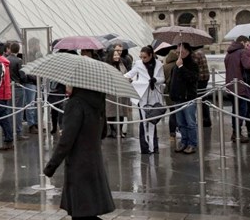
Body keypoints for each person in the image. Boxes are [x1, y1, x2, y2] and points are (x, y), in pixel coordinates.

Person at [43, 86, 115, 220]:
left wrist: (51, 166)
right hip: (94, 162)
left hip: (78, 166)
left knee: (81, 214)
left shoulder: (75, 103)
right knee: (87, 214)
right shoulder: (98, 99)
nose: (66, 85)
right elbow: (103, 132)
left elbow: (66, 142)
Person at [224, 36, 250, 142]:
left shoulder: (229, 54)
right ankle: (237, 133)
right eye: (247, 43)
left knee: (235, 110)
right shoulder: (242, 52)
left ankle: (236, 132)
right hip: (240, 86)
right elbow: (248, 64)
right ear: (243, 42)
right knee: (242, 110)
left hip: (230, 86)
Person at [124, 45, 164, 155]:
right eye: (141, 57)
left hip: (154, 95)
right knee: (143, 120)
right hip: (142, 95)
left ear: (151, 55)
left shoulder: (159, 64)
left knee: (153, 121)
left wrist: (155, 80)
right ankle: (145, 147)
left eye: (145, 57)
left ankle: (154, 146)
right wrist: (122, 77)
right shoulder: (138, 64)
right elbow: (130, 74)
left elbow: (162, 78)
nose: (143, 59)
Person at [170, 43, 199, 154]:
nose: (178, 54)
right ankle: (184, 141)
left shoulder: (192, 64)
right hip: (178, 97)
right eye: (177, 52)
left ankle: (192, 143)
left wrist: (181, 67)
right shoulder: (176, 65)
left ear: (187, 51)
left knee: (190, 122)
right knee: (181, 123)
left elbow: (193, 79)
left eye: (180, 52)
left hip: (188, 97)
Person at [103, 45, 129, 138]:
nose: (117, 56)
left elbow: (126, 75)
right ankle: (112, 130)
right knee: (111, 113)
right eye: (114, 55)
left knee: (121, 112)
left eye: (117, 54)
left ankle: (120, 130)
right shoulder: (107, 66)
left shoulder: (122, 64)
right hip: (111, 93)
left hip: (121, 93)